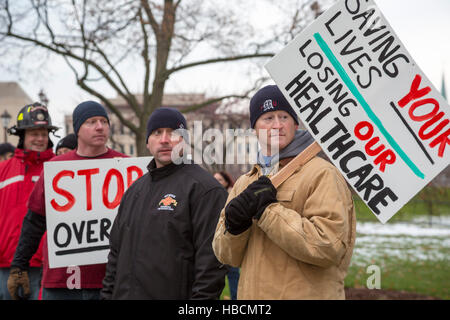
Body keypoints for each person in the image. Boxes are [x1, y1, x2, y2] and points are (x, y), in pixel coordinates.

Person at [212, 85, 356, 299]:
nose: (277, 125)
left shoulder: (322, 174)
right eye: (268, 118)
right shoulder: (245, 183)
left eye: (284, 117)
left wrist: (267, 212)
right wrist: (234, 226)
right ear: (255, 128)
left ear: (296, 124)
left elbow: (329, 246)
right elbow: (226, 256)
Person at [102, 107, 228, 299]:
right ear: (148, 143)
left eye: (173, 133)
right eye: (157, 132)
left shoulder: (204, 190)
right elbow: (115, 256)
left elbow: (211, 266)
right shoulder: (134, 191)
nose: (164, 139)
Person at [7, 101, 127, 300]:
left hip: (110, 281)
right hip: (61, 281)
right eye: (91, 122)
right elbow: (35, 221)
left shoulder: (126, 166)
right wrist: (19, 266)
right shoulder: (56, 167)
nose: (100, 127)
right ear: (77, 129)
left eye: (104, 121)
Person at [0, 103, 58, 300]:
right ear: (22, 135)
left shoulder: (59, 169)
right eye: (34, 133)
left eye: (44, 133)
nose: (40, 139)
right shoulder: (3, 170)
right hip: (5, 266)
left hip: (46, 266)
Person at [213, 171, 240, 301]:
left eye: (219, 180)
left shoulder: (233, 195)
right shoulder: (210, 196)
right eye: (215, 179)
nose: (217, 182)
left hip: (230, 240)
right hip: (214, 242)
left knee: (233, 274)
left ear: (226, 181)